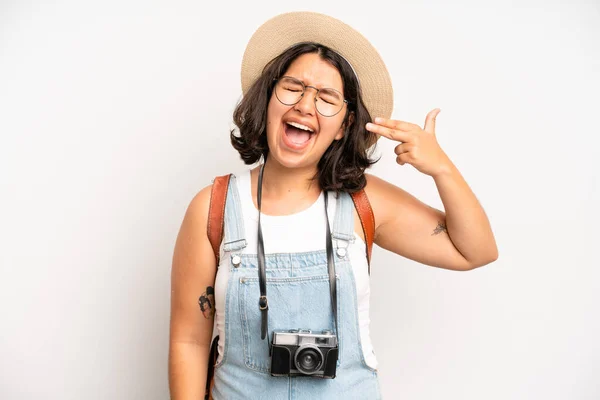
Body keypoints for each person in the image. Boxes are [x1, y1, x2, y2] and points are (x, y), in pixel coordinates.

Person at [168, 11, 498, 400]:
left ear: (344, 125)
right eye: (293, 87)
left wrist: (441, 169)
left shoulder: (363, 201)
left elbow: (475, 251)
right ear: (268, 98)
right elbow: (188, 342)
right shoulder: (215, 207)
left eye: (326, 98)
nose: (306, 105)